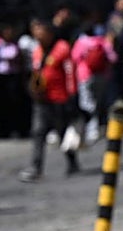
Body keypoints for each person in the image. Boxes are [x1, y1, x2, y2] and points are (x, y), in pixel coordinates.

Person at [20, 17, 79, 182]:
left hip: (59, 99)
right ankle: (35, 167)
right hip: (41, 99)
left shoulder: (62, 48)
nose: (38, 34)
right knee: (38, 132)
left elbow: (69, 73)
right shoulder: (37, 50)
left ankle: (72, 161)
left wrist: (72, 95)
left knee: (62, 133)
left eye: (41, 31)